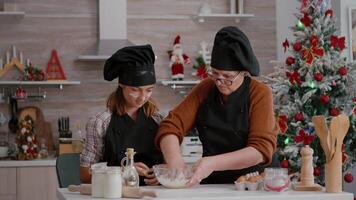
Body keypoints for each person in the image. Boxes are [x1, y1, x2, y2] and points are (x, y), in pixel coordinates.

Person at [155, 26, 279, 186]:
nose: (219, 82)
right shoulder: (205, 88)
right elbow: (171, 125)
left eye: (227, 77)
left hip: (256, 182)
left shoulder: (260, 93)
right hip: (215, 182)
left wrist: (212, 163)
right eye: (214, 73)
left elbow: (261, 150)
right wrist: (175, 161)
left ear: (244, 73)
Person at [80, 44, 164, 186]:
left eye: (149, 90)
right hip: (114, 193)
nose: (142, 97)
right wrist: (124, 171)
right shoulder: (100, 122)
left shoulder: (159, 120)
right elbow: (85, 175)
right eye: (135, 90)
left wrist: (163, 174)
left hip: (154, 194)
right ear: (122, 85)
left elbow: (170, 166)